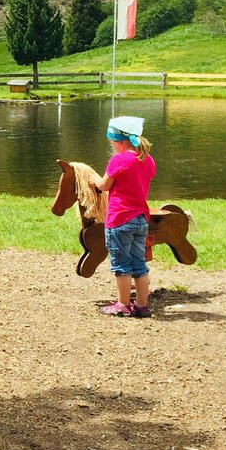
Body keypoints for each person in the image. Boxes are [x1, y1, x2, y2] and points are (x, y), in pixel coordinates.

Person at [91, 116, 156, 318]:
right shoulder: (147, 159)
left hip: (120, 219)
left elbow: (104, 186)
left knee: (121, 265)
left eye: (112, 142)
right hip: (141, 219)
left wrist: (92, 178)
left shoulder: (119, 160)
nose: (112, 146)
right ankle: (142, 306)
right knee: (139, 264)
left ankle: (122, 304)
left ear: (120, 141)